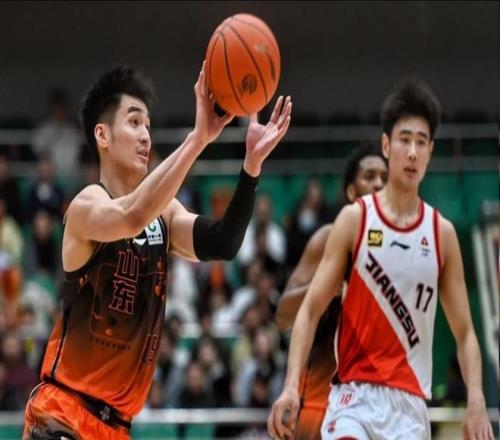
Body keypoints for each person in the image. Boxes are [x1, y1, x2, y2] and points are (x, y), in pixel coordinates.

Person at [23, 63, 292, 440]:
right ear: (102, 135)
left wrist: (251, 168)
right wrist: (198, 139)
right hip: (64, 413)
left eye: (148, 125)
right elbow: (131, 216)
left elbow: (224, 242)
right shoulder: (87, 204)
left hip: (116, 427)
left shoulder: (165, 214)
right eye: (134, 122)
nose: (145, 135)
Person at [268, 77, 494, 440]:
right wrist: (291, 387)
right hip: (353, 399)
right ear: (387, 145)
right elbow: (308, 311)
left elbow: (466, 332)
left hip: (410, 407)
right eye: (404, 139)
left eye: (421, 142)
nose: (412, 152)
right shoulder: (355, 220)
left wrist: (477, 399)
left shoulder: (442, 234)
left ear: (431, 151)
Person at [274, 145, 387, 440]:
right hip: (322, 400)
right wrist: (331, 285)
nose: (379, 184)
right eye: (370, 176)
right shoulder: (327, 238)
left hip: (381, 404)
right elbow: (283, 316)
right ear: (351, 191)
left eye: (385, 178)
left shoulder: (403, 247)